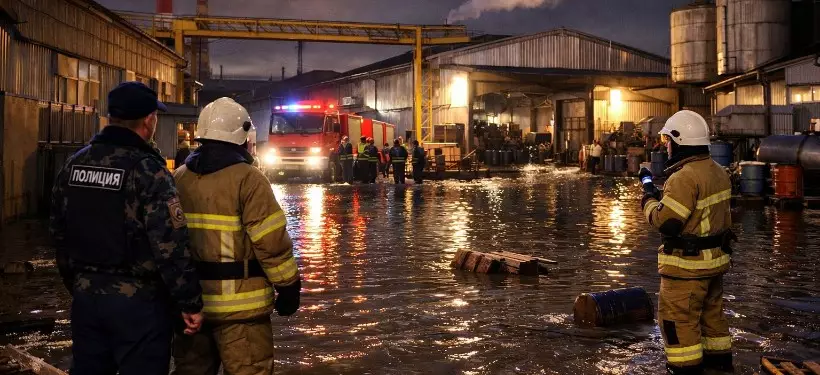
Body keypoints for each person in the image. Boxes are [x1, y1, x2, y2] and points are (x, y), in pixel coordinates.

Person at [49, 81, 204, 375]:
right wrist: (189, 302)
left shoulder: (74, 164)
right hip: (139, 305)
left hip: (86, 298)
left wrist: (80, 284)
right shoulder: (148, 169)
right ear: (149, 120)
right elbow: (170, 246)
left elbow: (58, 233)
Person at [171, 97, 301, 375]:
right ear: (243, 137)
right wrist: (289, 286)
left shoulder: (179, 177)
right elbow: (271, 243)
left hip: (191, 308)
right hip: (243, 314)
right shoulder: (249, 179)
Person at [639, 110, 735, 375]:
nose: (666, 146)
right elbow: (697, 213)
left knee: (677, 323)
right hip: (714, 264)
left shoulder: (683, 177)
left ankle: (685, 369)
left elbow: (668, 222)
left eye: (668, 140)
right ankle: (720, 366)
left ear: (680, 142)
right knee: (712, 319)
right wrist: (663, 197)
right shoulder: (718, 172)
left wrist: (648, 200)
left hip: (687, 270)